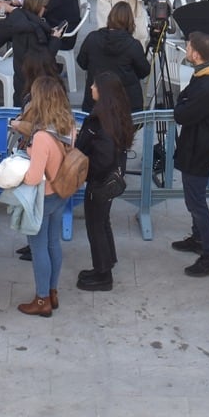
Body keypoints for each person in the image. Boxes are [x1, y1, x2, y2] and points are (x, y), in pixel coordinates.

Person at [13, 73, 78, 317]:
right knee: (53, 243)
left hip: (43, 197)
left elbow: (33, 177)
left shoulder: (41, 137)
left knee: (38, 247)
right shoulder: (68, 125)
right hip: (61, 194)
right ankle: (53, 292)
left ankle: (41, 300)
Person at [171, 31, 209, 279]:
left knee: (196, 202)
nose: (185, 50)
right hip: (197, 146)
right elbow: (184, 101)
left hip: (200, 150)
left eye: (187, 47)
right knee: (193, 198)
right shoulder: (206, 75)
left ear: (195, 53)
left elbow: (181, 113)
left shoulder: (207, 85)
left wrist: (182, 101)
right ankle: (198, 238)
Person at [76, 71, 135, 295]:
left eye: (94, 85)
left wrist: (89, 171)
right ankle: (106, 262)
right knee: (103, 222)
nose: (91, 88)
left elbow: (101, 155)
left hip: (100, 181)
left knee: (95, 226)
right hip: (111, 179)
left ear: (103, 91)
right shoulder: (118, 114)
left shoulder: (99, 119)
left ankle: (103, 274)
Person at [77, 1, 150, 111]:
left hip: (95, 104)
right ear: (130, 21)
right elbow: (144, 71)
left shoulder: (92, 38)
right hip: (127, 106)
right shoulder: (133, 45)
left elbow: (82, 62)